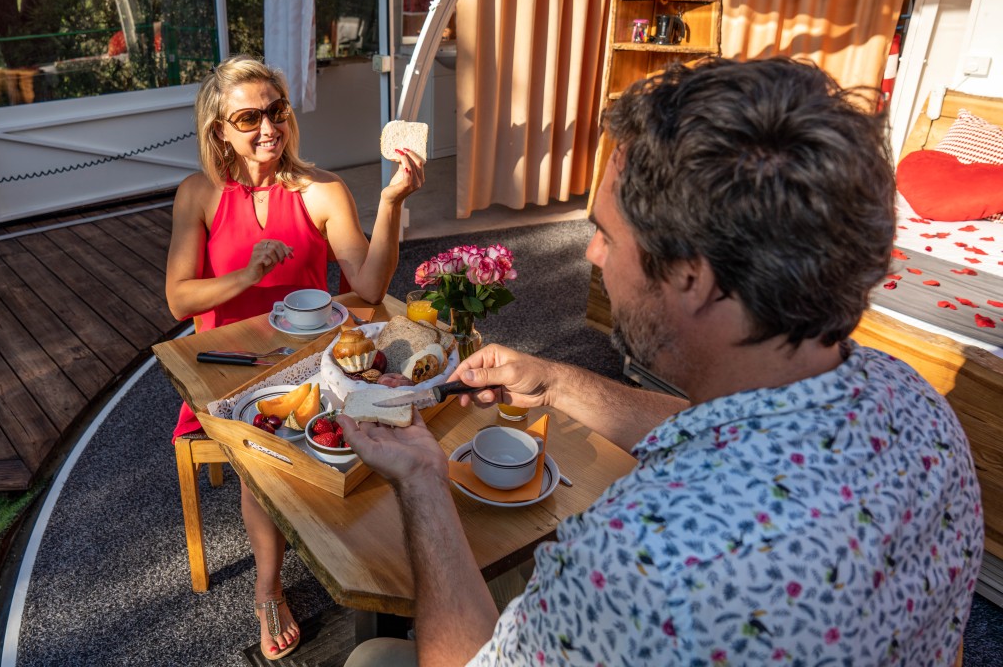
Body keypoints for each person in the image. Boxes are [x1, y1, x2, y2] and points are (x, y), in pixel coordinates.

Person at [340, 57, 983, 667]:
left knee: (370, 657)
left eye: (606, 234)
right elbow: (731, 434)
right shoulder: (918, 405)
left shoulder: (644, 558)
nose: (591, 254)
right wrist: (556, 383)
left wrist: (422, 481)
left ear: (691, 276)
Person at [165, 54, 424, 660]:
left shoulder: (323, 190)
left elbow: (368, 287)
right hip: (229, 366)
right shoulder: (198, 194)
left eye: (276, 110)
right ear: (219, 130)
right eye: (248, 118)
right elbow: (179, 298)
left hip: (312, 359)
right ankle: (268, 587)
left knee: (382, 419)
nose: (268, 127)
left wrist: (391, 203)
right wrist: (247, 274)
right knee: (265, 450)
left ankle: (372, 562)